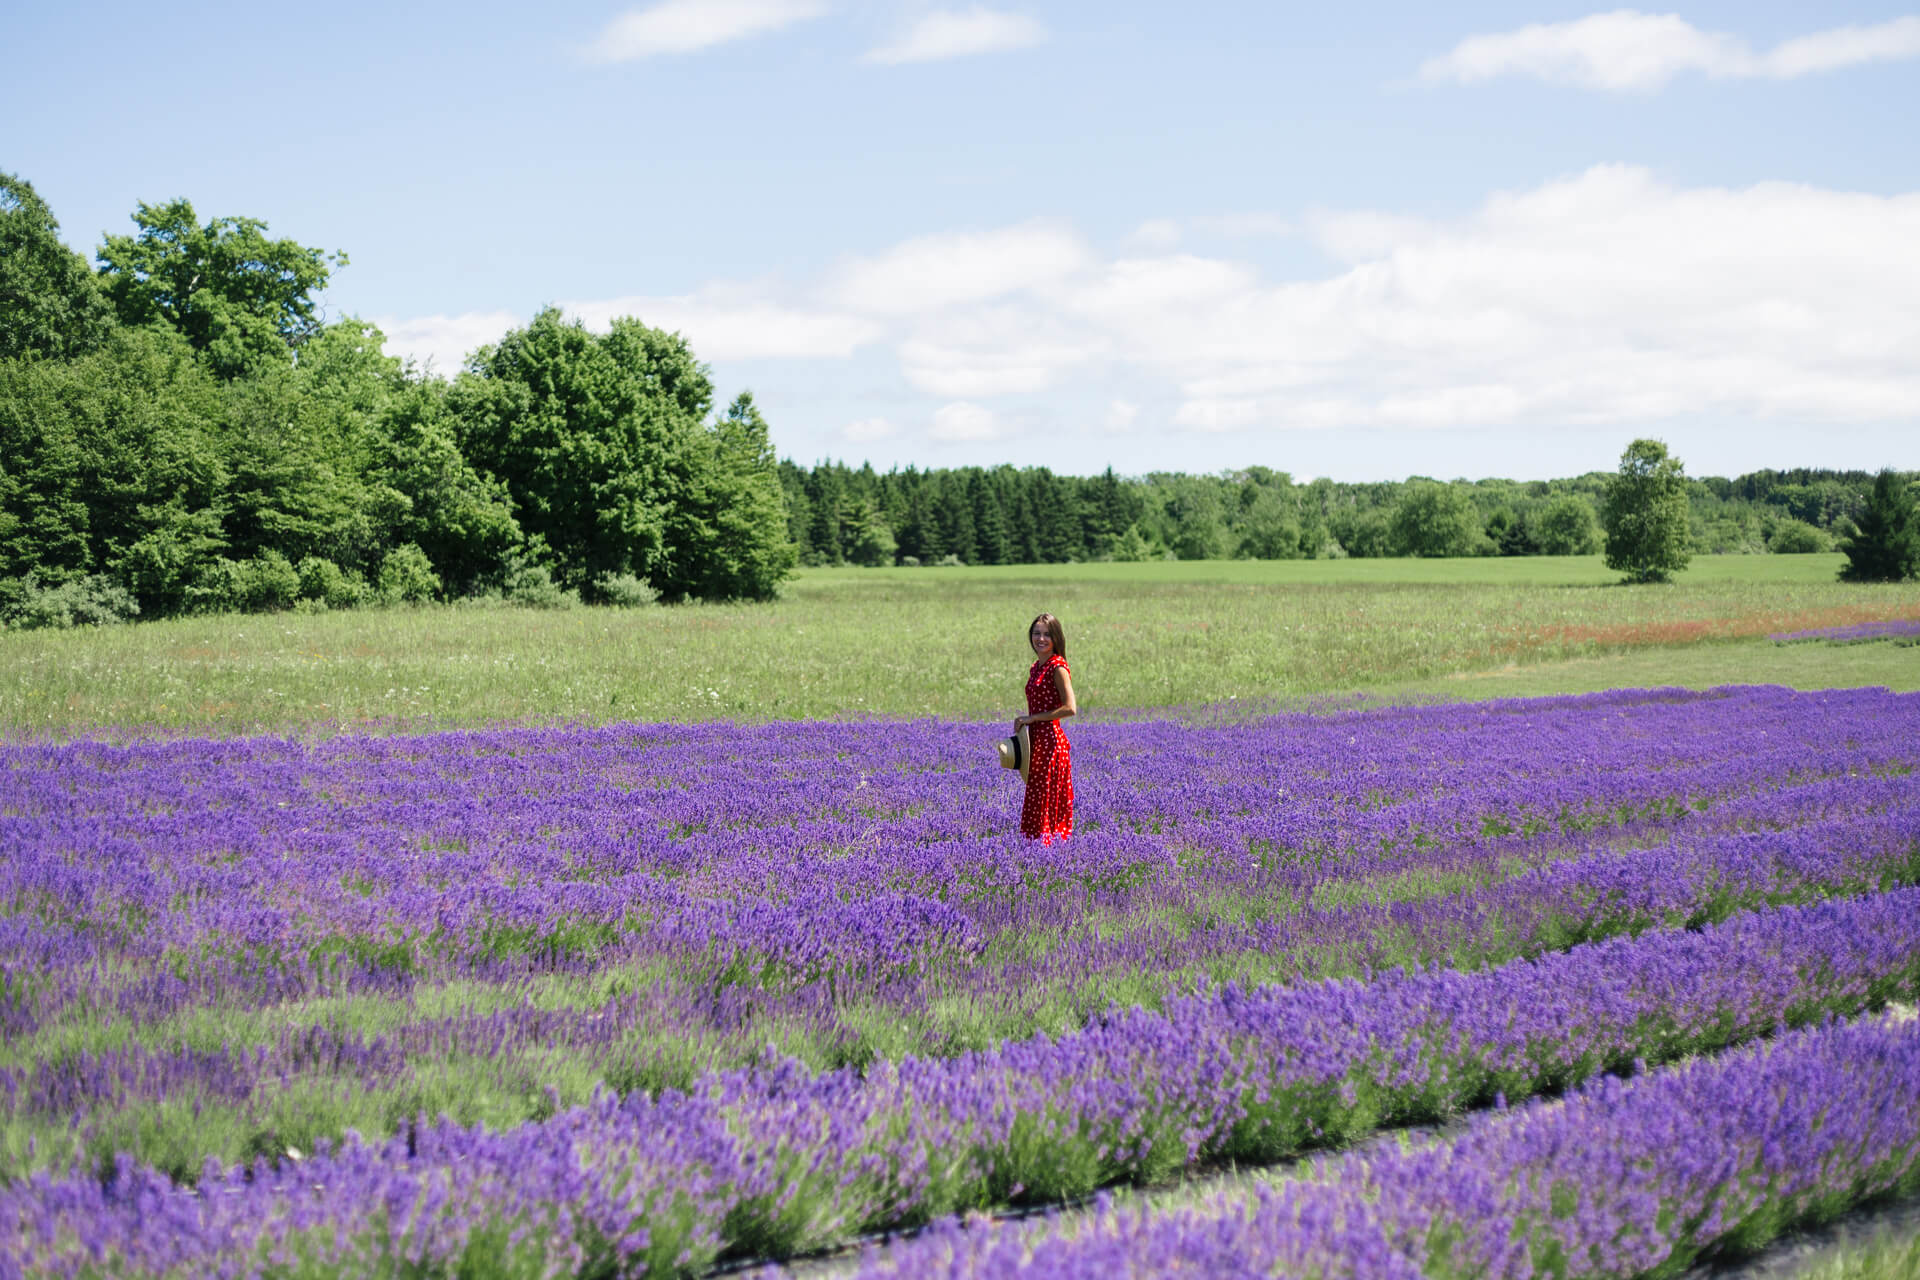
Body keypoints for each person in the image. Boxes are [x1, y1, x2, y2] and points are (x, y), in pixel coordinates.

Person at [1015, 612, 1076, 840]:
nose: (1040, 639)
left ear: (1056, 638)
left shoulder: (1058, 667)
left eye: (1047, 634)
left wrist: (1034, 718)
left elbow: (1070, 708)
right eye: (1036, 633)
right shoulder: (1036, 667)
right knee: (1036, 800)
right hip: (1036, 742)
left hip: (1051, 744)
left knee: (1046, 802)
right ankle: (1035, 857)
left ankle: (1050, 859)